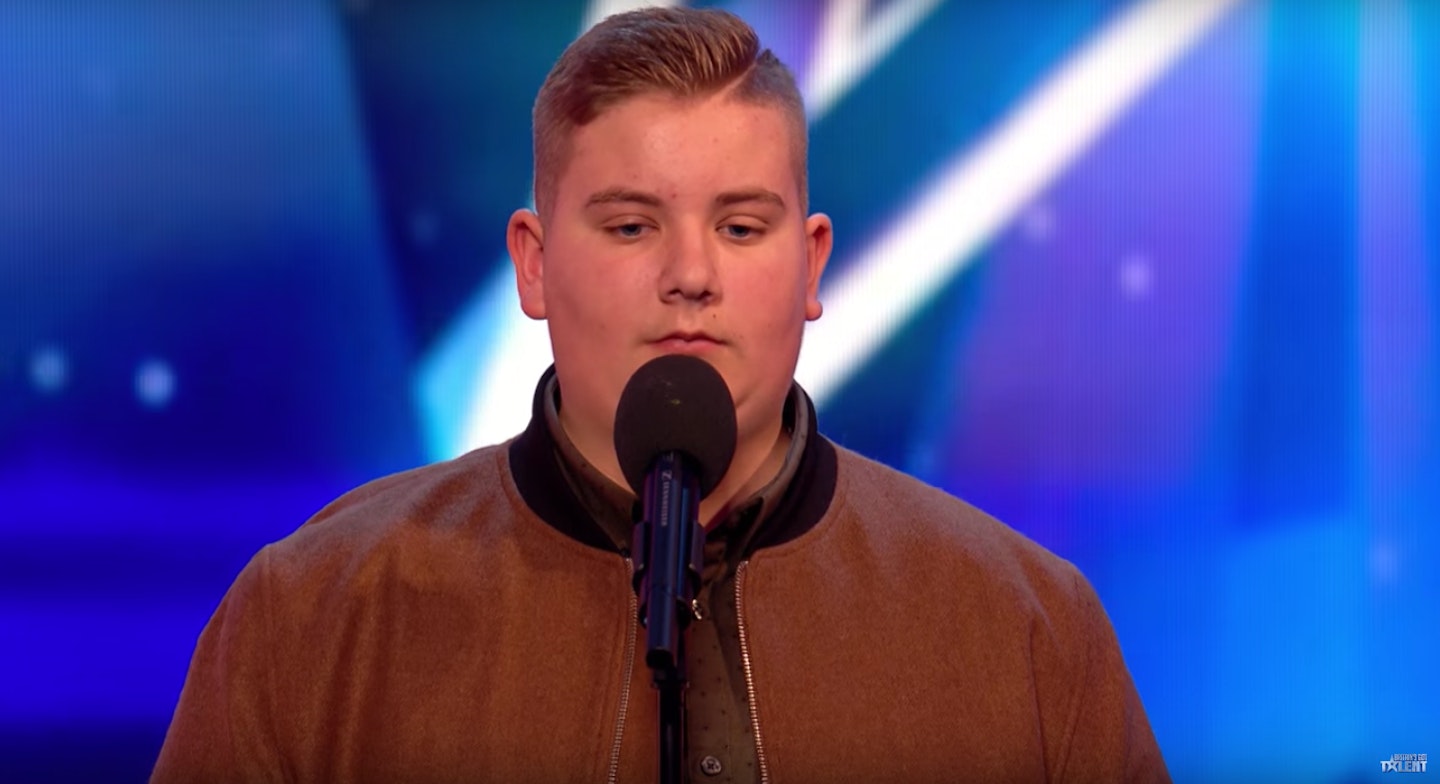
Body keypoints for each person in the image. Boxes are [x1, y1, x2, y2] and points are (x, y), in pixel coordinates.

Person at [152, 7, 1169, 783]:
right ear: (534, 264)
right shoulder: (317, 616)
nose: (691, 275)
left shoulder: (1026, 629)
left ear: (811, 264)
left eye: (740, 227)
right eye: (633, 226)